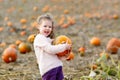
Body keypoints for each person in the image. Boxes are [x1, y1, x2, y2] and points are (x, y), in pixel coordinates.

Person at [33, 13, 71, 80]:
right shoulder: (39, 38)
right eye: (45, 26)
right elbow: (50, 49)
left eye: (50, 27)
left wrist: (63, 56)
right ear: (38, 26)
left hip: (57, 67)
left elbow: (53, 55)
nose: (47, 28)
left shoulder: (49, 40)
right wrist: (63, 47)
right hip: (49, 70)